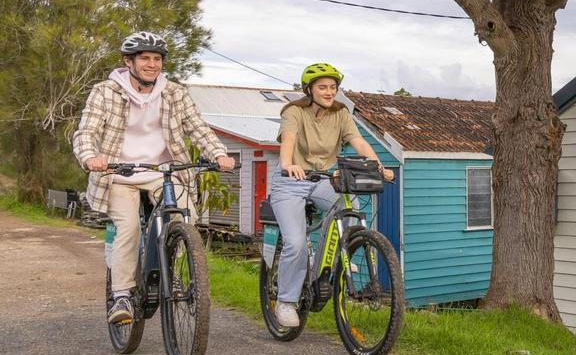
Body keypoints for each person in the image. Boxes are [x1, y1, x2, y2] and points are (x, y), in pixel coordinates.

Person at [72, 31, 236, 325]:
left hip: (163, 171)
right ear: (128, 61)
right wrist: (89, 156)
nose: (152, 64)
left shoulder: (174, 92)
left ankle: (168, 273)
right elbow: (87, 131)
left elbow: (197, 127)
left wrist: (218, 153)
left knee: (183, 219)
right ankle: (122, 295)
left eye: (157, 59)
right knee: (130, 228)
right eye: (145, 58)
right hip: (118, 173)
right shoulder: (106, 91)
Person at [269, 62, 393, 327]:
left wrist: (377, 166)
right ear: (309, 89)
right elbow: (288, 139)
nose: (329, 92)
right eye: (322, 87)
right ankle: (286, 301)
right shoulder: (294, 112)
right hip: (291, 181)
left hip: (323, 178)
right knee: (295, 242)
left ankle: (340, 258)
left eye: (333, 87)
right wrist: (287, 164)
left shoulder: (342, 114)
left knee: (351, 208)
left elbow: (358, 142)